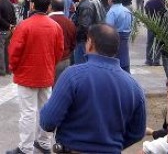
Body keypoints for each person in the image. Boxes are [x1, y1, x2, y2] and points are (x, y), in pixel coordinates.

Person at [40, 23, 146, 153]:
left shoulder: (73, 75)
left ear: (90, 43)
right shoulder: (134, 87)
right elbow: (137, 132)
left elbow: (48, 121)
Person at [6, 0, 63, 154]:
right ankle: (44, 143)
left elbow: (14, 51)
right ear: (49, 7)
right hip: (46, 73)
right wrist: (51, 65)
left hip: (26, 75)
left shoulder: (24, 25)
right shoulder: (55, 26)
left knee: (28, 113)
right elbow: (59, 50)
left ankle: (26, 147)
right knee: (46, 110)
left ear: (32, 5)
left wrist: (13, 68)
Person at [73, 0, 106, 64]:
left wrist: (75, 35)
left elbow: (84, 25)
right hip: (94, 38)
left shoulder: (86, 4)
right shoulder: (95, 0)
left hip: (85, 40)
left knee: (82, 65)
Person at [48, 0, 76, 82]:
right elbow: (73, 43)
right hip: (65, 60)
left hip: (50, 60)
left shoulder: (47, 21)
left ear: (50, 7)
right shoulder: (70, 22)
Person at [105, 0, 133, 73]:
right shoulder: (127, 11)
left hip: (114, 38)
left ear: (111, 0)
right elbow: (131, 24)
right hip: (125, 37)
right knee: (124, 60)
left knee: (115, 63)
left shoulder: (112, 12)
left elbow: (108, 28)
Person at [0, 0, 17, 76]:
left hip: (1, 30)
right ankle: (8, 69)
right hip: (9, 30)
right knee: (7, 50)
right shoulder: (10, 3)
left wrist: (8, 25)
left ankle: (1, 70)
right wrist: (12, 26)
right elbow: (14, 16)